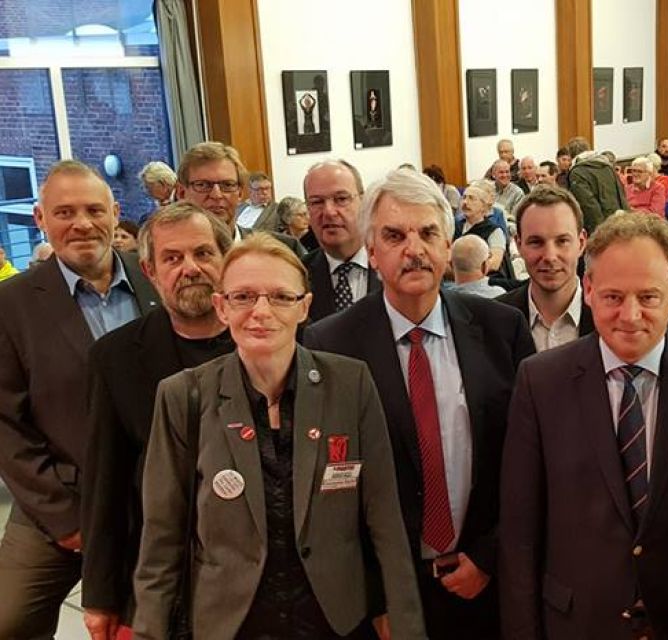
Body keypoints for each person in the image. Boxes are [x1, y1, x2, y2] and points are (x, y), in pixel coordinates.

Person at [131, 234, 425, 638]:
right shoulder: (184, 395)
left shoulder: (350, 384)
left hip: (331, 621)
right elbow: (161, 539)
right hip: (231, 624)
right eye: (243, 297)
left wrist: (408, 627)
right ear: (221, 306)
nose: (261, 312)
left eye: (281, 297)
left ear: (304, 306)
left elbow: (385, 520)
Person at [499, 212, 668, 639]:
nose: (630, 315)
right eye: (613, 296)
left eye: (649, 296)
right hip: (577, 623)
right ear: (589, 289)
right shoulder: (540, 381)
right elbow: (520, 529)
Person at [305, 168, 535, 639]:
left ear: (448, 246)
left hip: (485, 586)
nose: (414, 249)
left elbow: (529, 461)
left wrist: (489, 556)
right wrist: (376, 593)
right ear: (372, 250)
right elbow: (327, 488)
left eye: (428, 233)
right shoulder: (330, 345)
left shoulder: (502, 329)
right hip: (388, 600)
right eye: (394, 235)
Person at [0, 161, 159, 637]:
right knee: (9, 620)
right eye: (64, 212)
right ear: (40, 219)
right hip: (62, 497)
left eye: (94, 210)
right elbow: (5, 425)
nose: (82, 224)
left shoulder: (156, 280)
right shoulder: (11, 305)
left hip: (155, 497)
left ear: (115, 213)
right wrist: (65, 519)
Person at [81, 203, 236, 638]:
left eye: (203, 253)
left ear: (226, 259)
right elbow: (105, 482)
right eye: (172, 258)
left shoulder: (266, 341)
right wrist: (100, 594)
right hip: (164, 568)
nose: (190, 268)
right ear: (150, 272)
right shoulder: (115, 358)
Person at [496, 186, 594, 352]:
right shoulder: (494, 319)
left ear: (581, 243)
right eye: (536, 242)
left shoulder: (610, 316)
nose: (550, 256)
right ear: (519, 245)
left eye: (562, 241)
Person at [175, 142, 304, 256]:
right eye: (203, 185)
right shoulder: (167, 258)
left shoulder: (283, 250)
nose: (217, 195)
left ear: (240, 193)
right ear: (181, 193)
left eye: (227, 185)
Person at [301, 159, 380, 322]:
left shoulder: (393, 265)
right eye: (317, 202)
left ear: (364, 202)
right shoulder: (298, 276)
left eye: (341, 199)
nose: (329, 212)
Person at [564, 136, 628, 233]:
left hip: (600, 228)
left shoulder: (577, 172)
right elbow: (621, 195)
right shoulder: (607, 166)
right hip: (619, 221)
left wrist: (598, 231)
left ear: (570, 154)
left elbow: (587, 204)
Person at [457, 179, 512, 279]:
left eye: (471, 198)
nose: (465, 202)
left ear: (483, 206)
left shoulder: (494, 231)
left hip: (485, 279)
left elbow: (495, 263)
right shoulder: (456, 226)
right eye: (464, 197)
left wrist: (469, 271)